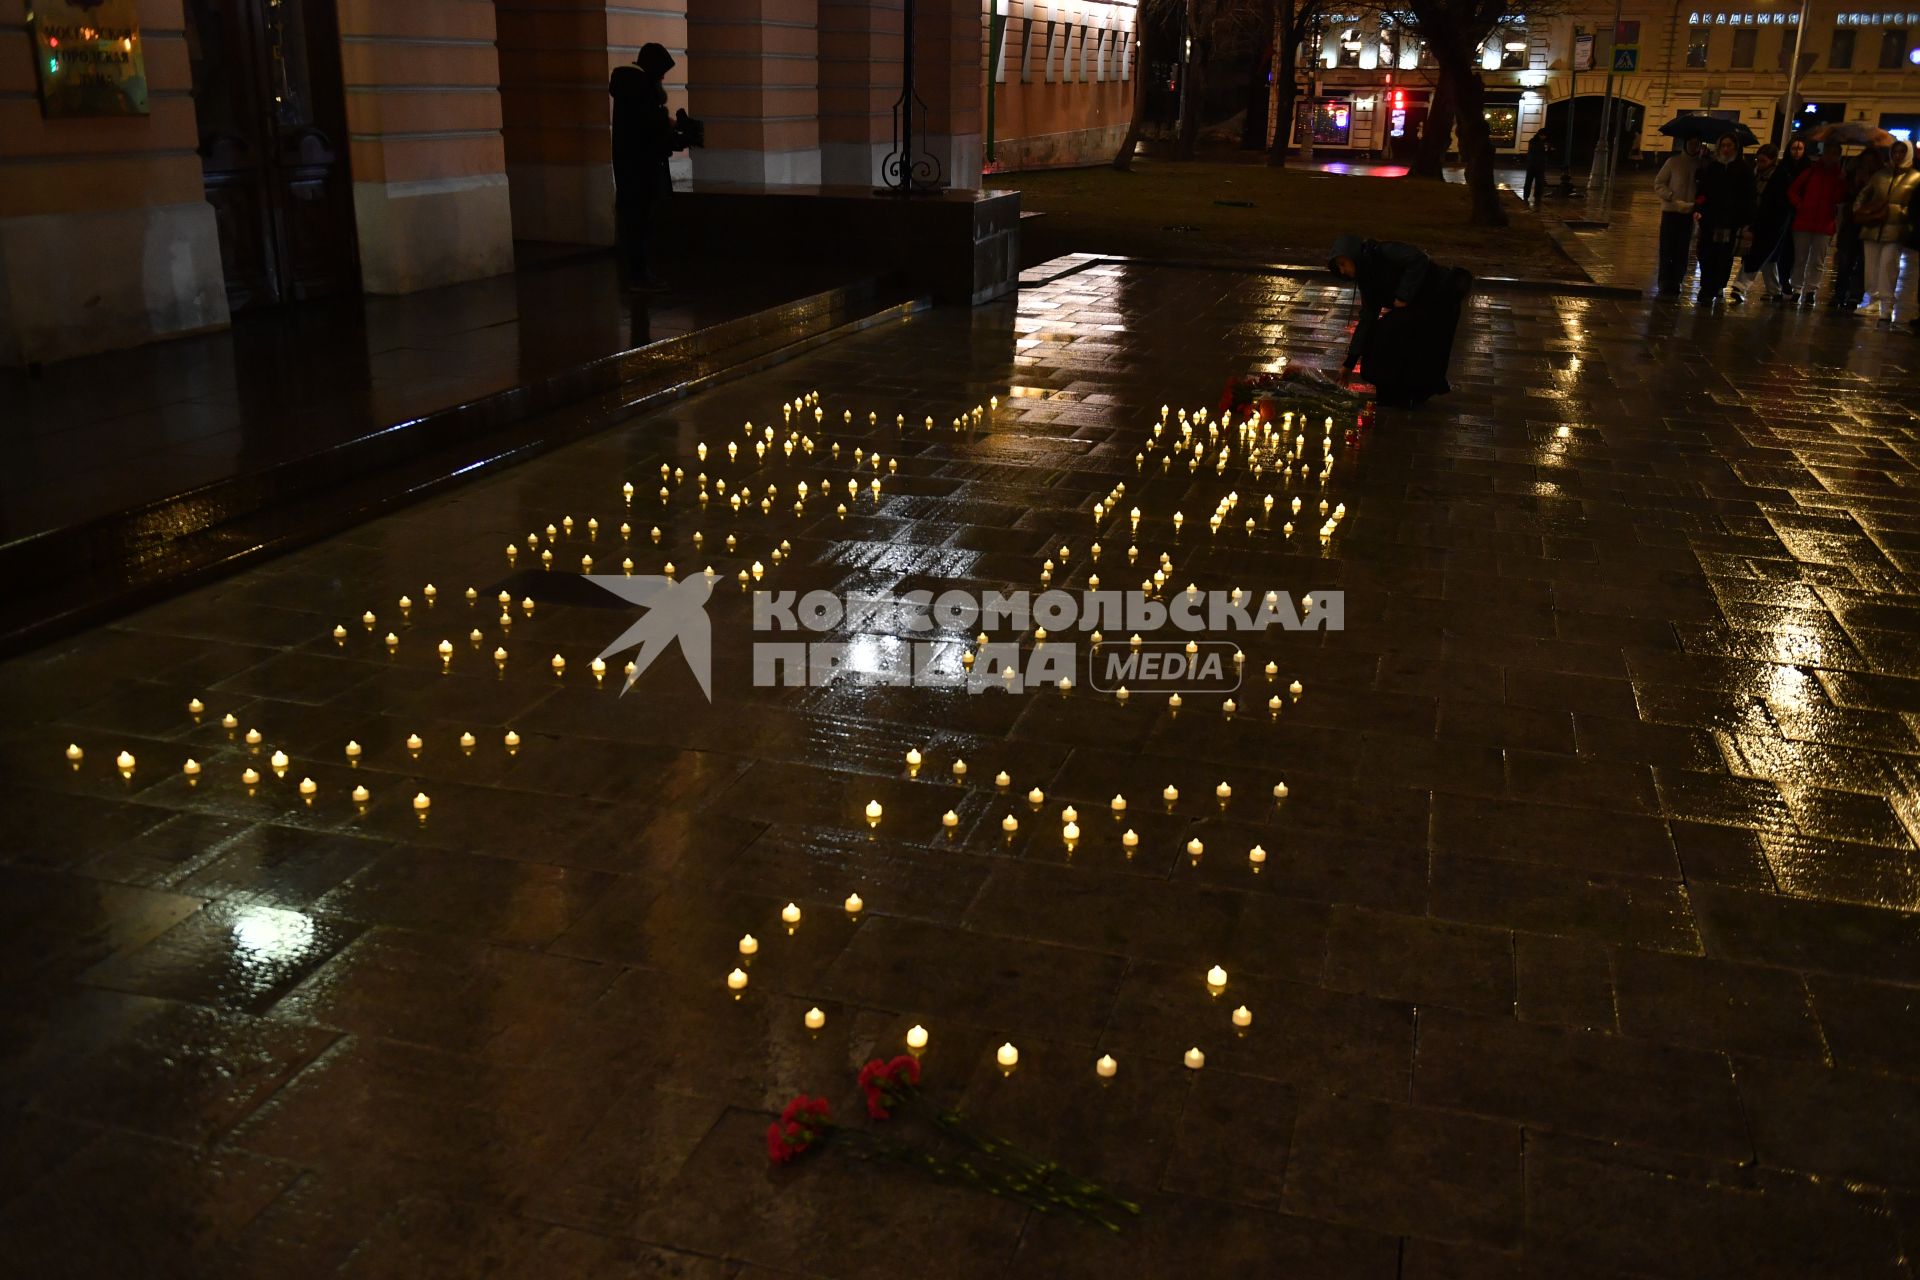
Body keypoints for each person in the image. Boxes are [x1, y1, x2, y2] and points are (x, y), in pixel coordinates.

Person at [1329, 234, 1474, 408]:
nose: (1342, 271)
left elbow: (1418, 260)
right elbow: (1368, 318)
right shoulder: (1367, 279)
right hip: (1416, 307)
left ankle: (1410, 394)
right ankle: (1393, 393)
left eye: (1343, 264)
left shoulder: (1385, 252)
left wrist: (1403, 295)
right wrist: (1349, 363)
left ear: (1354, 255)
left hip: (1438, 301)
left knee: (1401, 337)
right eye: (1339, 266)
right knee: (1384, 334)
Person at [610, 43, 687, 293]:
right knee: (639, 223)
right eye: (662, 70)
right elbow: (648, 131)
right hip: (640, 171)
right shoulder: (641, 92)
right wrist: (669, 130)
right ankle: (639, 276)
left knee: (636, 222)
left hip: (632, 168)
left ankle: (637, 274)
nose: (664, 76)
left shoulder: (632, 91)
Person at [1856, 139, 1918, 321]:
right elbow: (1864, 194)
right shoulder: (1881, 175)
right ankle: (1873, 301)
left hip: (1895, 229)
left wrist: (1907, 221)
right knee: (1872, 267)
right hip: (1873, 227)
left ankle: (1886, 304)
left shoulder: (1915, 178)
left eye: (1901, 152)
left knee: (1888, 267)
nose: (1897, 156)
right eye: (1895, 152)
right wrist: (1860, 210)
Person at [1693, 134, 1754, 306]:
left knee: (1724, 256)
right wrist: (1699, 208)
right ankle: (1706, 286)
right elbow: (1702, 191)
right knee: (1706, 254)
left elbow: (1749, 196)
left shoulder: (1743, 169)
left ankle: (1718, 286)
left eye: (1729, 146)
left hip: (1730, 221)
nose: (1726, 149)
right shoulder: (1712, 167)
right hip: (1710, 220)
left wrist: (1746, 220)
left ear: (1735, 147)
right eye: (1723, 146)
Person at [1788, 144, 1846, 306]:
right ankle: (1797, 289)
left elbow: (1839, 198)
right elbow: (1793, 190)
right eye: (1829, 152)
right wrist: (1801, 205)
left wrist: (1841, 183)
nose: (1831, 157)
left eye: (1835, 154)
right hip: (1804, 221)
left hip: (1824, 223)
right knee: (1800, 258)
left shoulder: (1838, 176)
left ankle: (1811, 290)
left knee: (1817, 261)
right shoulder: (1811, 172)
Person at [1732, 144, 1791, 302]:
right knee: (1767, 257)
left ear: (1772, 161)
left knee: (1757, 254)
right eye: (1758, 159)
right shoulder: (1756, 173)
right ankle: (1775, 290)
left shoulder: (1780, 177)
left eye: (1763, 161)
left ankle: (1740, 286)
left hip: (1772, 223)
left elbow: (1779, 204)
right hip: (1756, 219)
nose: (1759, 163)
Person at [1831, 146, 1883, 309]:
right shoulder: (1852, 173)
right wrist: (1848, 182)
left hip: (1868, 223)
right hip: (1851, 222)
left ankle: (1855, 295)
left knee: (1862, 262)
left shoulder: (1879, 178)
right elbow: (1844, 197)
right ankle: (1840, 294)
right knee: (1845, 261)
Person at [1654, 138, 1706, 298]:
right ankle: (1664, 280)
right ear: (1685, 144)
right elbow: (1659, 183)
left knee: (1682, 249)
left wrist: (1695, 205)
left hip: (1689, 213)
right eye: (1691, 143)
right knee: (1667, 247)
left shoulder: (1702, 165)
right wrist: (1670, 196)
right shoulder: (1673, 162)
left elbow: (1704, 188)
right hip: (1671, 211)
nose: (1693, 146)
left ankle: (1676, 280)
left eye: (1696, 143)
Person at [1523, 130, 1550, 206]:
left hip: (1540, 166)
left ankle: (1537, 197)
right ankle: (1526, 196)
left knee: (1539, 183)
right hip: (1532, 165)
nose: (1544, 137)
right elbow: (1536, 151)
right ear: (1540, 135)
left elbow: (1546, 152)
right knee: (1529, 182)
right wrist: (1544, 149)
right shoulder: (1533, 141)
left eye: (1545, 136)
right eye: (1543, 135)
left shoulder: (1545, 142)